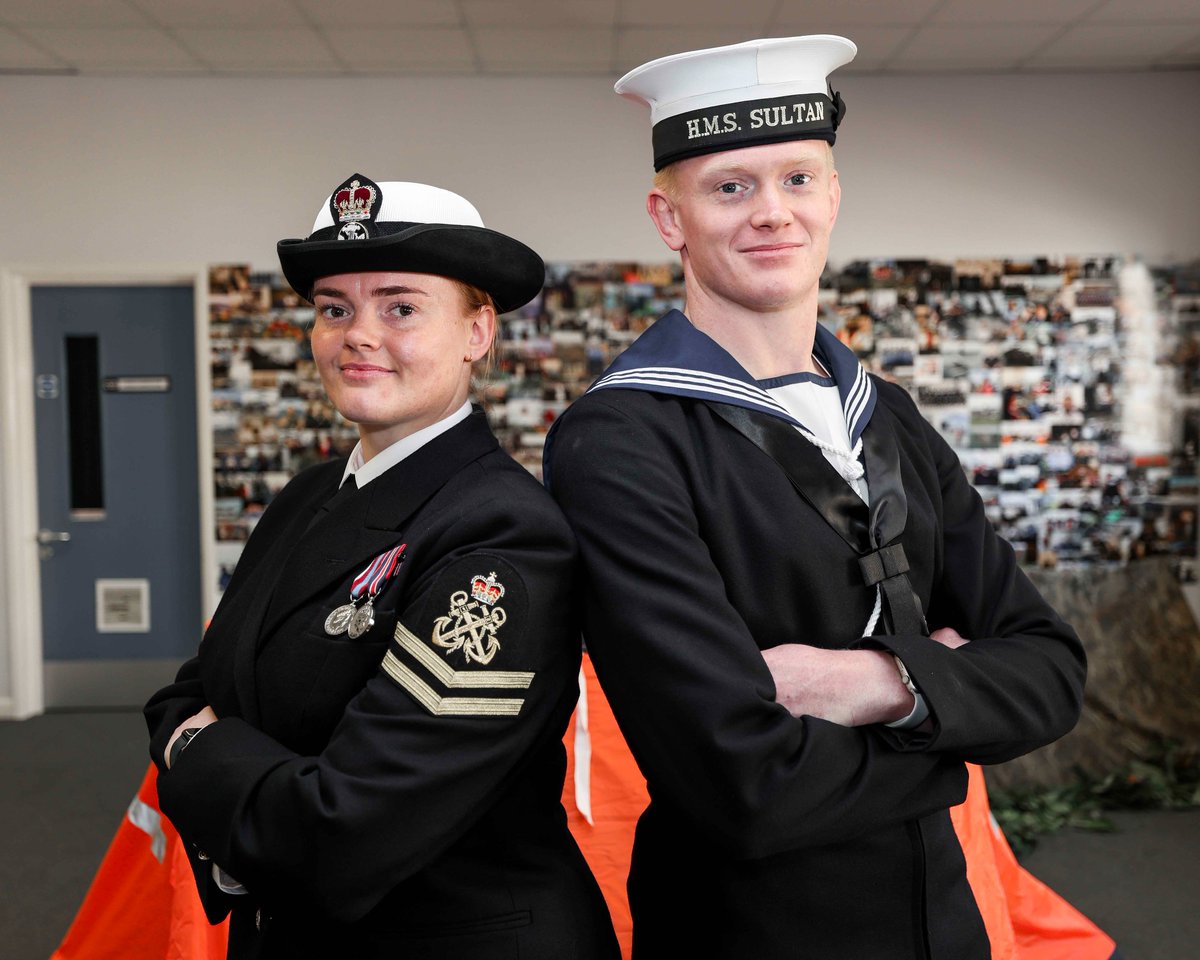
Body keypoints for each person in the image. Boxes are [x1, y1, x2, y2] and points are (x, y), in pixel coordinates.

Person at [543, 36, 1087, 959]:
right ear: (668, 219)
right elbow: (741, 785)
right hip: (745, 932)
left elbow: (1051, 673)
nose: (772, 214)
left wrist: (872, 684)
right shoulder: (617, 440)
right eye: (729, 187)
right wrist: (954, 714)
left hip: (940, 926)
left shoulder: (894, 418)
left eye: (798, 179)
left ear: (832, 197)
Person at [145, 173, 619, 960]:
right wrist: (207, 741)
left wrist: (194, 750)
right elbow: (189, 690)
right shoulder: (306, 497)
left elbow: (344, 827)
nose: (356, 334)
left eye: (400, 307)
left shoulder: (503, 535)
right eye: (334, 308)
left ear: (477, 331)